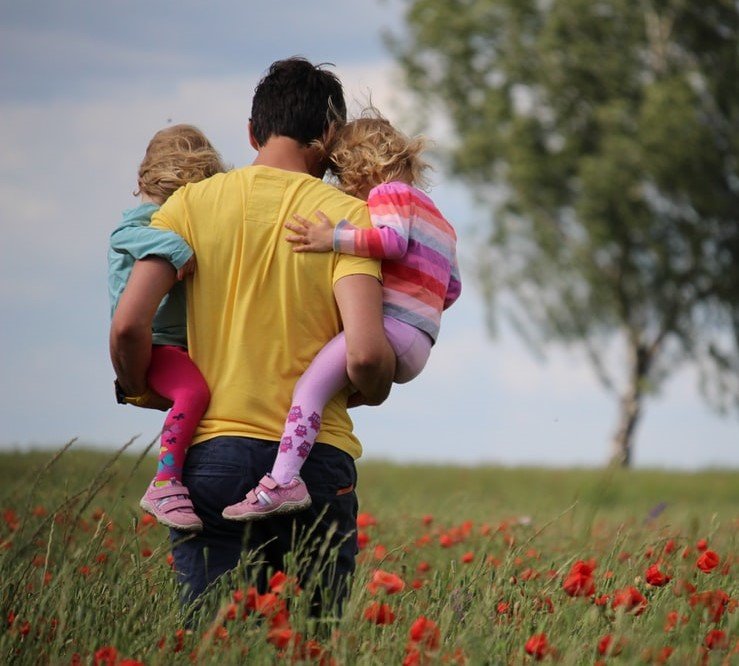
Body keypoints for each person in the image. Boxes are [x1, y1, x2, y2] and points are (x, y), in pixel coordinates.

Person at [109, 57, 396, 613]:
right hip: (315, 463)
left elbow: (127, 324)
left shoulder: (188, 206)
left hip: (212, 457)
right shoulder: (349, 219)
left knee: (216, 639)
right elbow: (364, 354)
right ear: (330, 136)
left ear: (251, 132)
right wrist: (377, 384)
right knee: (310, 644)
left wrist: (139, 384)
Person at [222, 111, 461, 521]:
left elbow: (390, 242)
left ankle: (282, 481)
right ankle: (294, 463)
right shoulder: (440, 220)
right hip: (420, 341)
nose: (342, 187)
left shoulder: (389, 194)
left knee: (309, 389)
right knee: (329, 391)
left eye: (342, 174)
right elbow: (452, 288)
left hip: (390, 330)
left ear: (362, 165)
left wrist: (330, 238)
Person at [108, 124, 227, 531]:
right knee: (194, 392)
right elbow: (124, 235)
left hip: (175, 344)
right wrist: (177, 248)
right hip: (156, 343)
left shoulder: (163, 216)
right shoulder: (146, 221)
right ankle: (165, 481)